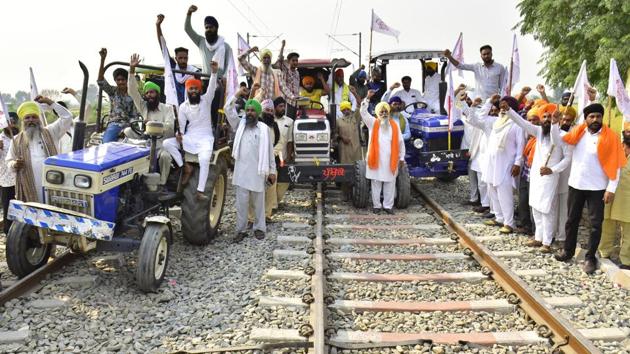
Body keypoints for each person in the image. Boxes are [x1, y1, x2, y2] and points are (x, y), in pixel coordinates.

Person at [555, 103, 627, 274]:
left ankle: (590, 257)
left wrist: (611, 188)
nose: (595, 119)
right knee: (572, 220)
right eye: (592, 117)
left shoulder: (612, 137)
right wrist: (553, 124)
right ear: (586, 119)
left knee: (595, 225)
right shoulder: (578, 133)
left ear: (602, 118)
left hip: (598, 188)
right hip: (577, 184)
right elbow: (557, 140)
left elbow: (616, 166)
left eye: (598, 116)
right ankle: (568, 251)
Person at [506, 103, 571, 253]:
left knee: (547, 209)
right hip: (536, 176)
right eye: (545, 117)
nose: (547, 119)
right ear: (541, 119)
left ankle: (547, 242)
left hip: (550, 176)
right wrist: (509, 110)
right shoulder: (539, 132)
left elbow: (567, 159)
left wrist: (552, 170)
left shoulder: (562, 136)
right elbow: (522, 122)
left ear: (557, 119)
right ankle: (538, 237)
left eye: (550, 117)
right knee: (535, 207)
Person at [460, 94, 524, 234]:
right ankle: (499, 218)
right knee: (492, 189)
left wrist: (518, 163)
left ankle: (509, 223)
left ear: (512, 108)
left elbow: (520, 146)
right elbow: (479, 118)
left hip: (506, 164)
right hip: (491, 163)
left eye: (505, 106)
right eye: (500, 106)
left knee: (504, 192)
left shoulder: (517, 124)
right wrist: (489, 101)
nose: (502, 109)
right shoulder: (495, 122)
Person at [225, 88, 276, 242]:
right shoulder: (239, 125)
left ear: (258, 113)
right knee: (241, 205)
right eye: (247, 110)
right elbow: (228, 108)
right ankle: (240, 230)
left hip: (257, 172)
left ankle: (259, 228)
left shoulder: (264, 129)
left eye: (253, 110)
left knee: (258, 204)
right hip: (241, 172)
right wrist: (238, 93)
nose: (249, 113)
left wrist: (272, 170)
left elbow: (269, 151)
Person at [163, 62, 218, 201]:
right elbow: (181, 127)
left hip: (206, 137)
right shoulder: (183, 106)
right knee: (166, 144)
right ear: (187, 90)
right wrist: (179, 135)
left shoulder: (206, 100)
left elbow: (211, 87)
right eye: (191, 89)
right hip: (190, 136)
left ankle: (200, 191)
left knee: (204, 159)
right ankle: (185, 167)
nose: (194, 91)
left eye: (196, 89)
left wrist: (214, 72)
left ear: (200, 90)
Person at [6, 97, 73, 203]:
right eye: (27, 118)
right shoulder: (16, 140)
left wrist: (50, 102)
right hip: (30, 186)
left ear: (39, 119)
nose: (31, 120)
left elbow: (67, 117)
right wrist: (15, 164)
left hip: (53, 182)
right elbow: (9, 161)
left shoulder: (51, 131)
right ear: (23, 121)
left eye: (34, 117)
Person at [128, 54, 176, 187]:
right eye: (147, 93)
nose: (149, 95)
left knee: (165, 157)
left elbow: (170, 126)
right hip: (146, 144)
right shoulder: (143, 107)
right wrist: (132, 70)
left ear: (157, 94)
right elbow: (132, 91)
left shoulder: (167, 108)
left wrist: (153, 126)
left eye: (152, 92)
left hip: (162, 144)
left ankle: (161, 184)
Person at [360, 90, 405, 214]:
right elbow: (363, 112)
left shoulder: (394, 125)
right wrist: (367, 98)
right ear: (377, 113)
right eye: (382, 112)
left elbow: (401, 143)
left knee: (390, 183)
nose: (384, 114)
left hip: (391, 160)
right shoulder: (372, 123)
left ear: (389, 112)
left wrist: (402, 158)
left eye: (386, 112)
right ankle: (376, 206)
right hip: (376, 160)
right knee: (376, 183)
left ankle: (388, 206)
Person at [598, 134, 630, 269]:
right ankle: (604, 252)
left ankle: (626, 260)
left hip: (627, 199)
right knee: (607, 224)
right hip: (610, 196)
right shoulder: (615, 155)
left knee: (628, 229)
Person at [156, 14, 200, 105]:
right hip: (173, 105)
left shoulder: (193, 71)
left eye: (185, 58)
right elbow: (163, 47)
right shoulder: (172, 66)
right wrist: (158, 26)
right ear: (176, 58)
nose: (183, 60)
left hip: (189, 107)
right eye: (180, 58)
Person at [97, 48, 138, 143]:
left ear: (126, 80)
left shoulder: (133, 93)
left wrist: (132, 125)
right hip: (115, 123)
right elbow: (100, 80)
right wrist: (102, 59)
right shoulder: (113, 91)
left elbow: (135, 113)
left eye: (123, 79)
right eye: (118, 80)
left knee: (143, 141)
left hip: (130, 124)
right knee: (106, 143)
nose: (121, 82)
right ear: (115, 81)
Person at [185, 5, 233, 79]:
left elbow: (229, 65)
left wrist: (225, 78)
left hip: (220, 82)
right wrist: (189, 13)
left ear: (216, 28)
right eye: (206, 27)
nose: (208, 29)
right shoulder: (201, 42)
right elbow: (187, 29)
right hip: (205, 81)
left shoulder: (225, 46)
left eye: (211, 27)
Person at [553, 105, 578, 243]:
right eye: (562, 119)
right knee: (552, 206)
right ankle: (550, 233)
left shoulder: (575, 133)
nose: (564, 122)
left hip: (568, 175)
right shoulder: (554, 131)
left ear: (573, 121)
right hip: (552, 174)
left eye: (568, 120)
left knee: (564, 208)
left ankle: (562, 236)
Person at [515, 107, 540, 235]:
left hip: (536, 176)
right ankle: (526, 226)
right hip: (525, 173)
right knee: (523, 200)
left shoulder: (542, 135)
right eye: (529, 120)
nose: (532, 122)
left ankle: (537, 231)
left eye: (535, 120)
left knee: (533, 204)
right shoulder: (526, 134)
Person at [273, 97, 293, 206]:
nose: (283, 108)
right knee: (272, 181)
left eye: (284, 106)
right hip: (271, 157)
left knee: (284, 181)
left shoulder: (289, 121)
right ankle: (272, 205)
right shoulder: (269, 120)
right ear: (275, 108)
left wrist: (289, 158)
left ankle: (275, 200)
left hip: (283, 157)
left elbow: (290, 141)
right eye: (280, 106)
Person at [0, 112, 18, 234]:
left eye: (13, 121)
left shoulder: (21, 136)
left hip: (21, 179)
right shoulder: (0, 139)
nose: (11, 124)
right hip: (6, 180)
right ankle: (10, 234)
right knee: (8, 209)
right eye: (8, 121)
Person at [275, 40, 300, 118]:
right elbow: (280, 59)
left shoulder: (297, 73)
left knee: (294, 121)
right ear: (289, 61)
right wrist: (282, 46)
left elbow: (297, 88)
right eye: (293, 60)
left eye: (296, 60)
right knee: (287, 121)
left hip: (295, 102)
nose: (295, 62)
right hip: (287, 102)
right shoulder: (285, 69)